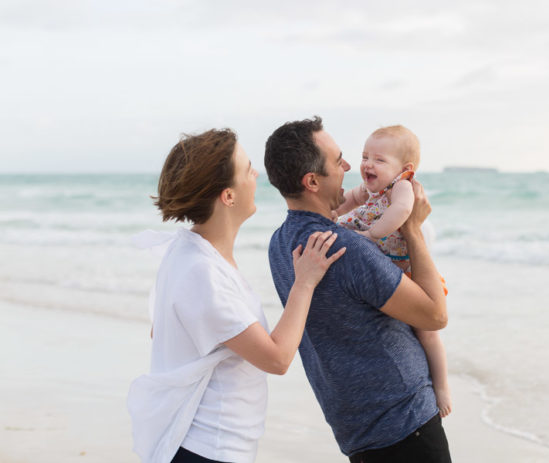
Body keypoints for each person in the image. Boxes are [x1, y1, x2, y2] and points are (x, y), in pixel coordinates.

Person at [127, 128, 345, 463]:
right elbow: (277, 358)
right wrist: (304, 283)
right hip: (207, 448)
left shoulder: (188, 252)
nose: (256, 174)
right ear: (228, 196)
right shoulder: (202, 272)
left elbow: (163, 330)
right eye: (247, 170)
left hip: (202, 444)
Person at [264, 116, 451, 462]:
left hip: (354, 429)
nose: (350, 166)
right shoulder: (346, 247)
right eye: (338, 161)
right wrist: (412, 229)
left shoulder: (279, 244)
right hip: (404, 422)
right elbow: (435, 315)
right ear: (312, 181)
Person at [335, 125, 452, 418]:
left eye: (379, 159)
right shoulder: (371, 190)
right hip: (389, 268)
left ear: (405, 168)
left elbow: (401, 212)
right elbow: (347, 200)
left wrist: (372, 234)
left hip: (410, 271)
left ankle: (442, 386)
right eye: (364, 156)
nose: (367, 164)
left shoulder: (403, 187)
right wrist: (331, 214)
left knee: (427, 334)